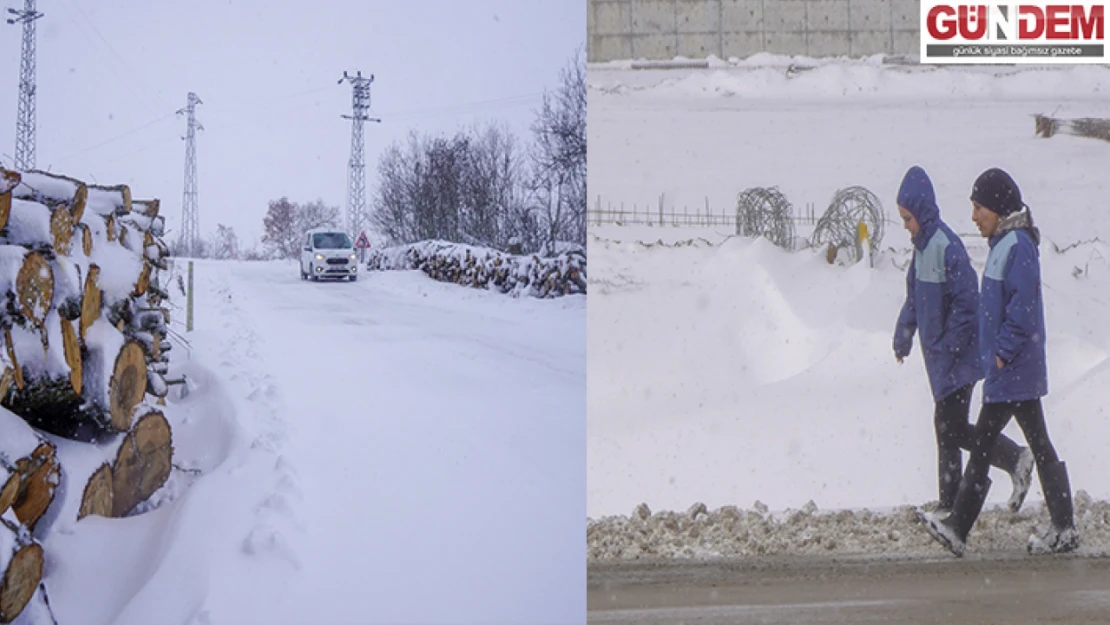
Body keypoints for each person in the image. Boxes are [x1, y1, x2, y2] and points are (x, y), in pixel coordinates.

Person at [921, 167, 1079, 556]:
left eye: (978, 208)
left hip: (1012, 369)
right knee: (1039, 444)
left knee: (986, 444)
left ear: (998, 208)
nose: (974, 216)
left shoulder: (1019, 246)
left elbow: (1021, 310)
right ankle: (1064, 526)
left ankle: (958, 528)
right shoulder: (1003, 244)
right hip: (1008, 370)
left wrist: (1001, 353)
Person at [893, 166, 1034, 516]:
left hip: (959, 359)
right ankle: (955, 497)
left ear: (922, 211)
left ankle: (1010, 461)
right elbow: (914, 299)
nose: (906, 225)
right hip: (941, 361)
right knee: (949, 429)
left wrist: (949, 345)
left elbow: (967, 303)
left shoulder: (945, 246)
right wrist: (904, 335)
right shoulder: (922, 250)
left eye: (908, 218)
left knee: (949, 428)